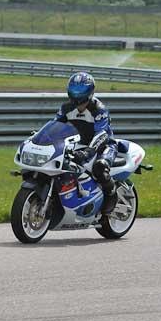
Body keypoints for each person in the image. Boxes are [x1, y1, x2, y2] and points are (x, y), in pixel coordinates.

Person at [55, 72, 119, 215]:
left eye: (81, 92)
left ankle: (111, 196)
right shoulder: (65, 108)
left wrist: (89, 151)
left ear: (89, 93)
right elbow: (55, 127)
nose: (77, 96)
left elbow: (101, 134)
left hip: (105, 145)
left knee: (99, 167)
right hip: (79, 144)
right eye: (74, 91)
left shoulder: (98, 109)